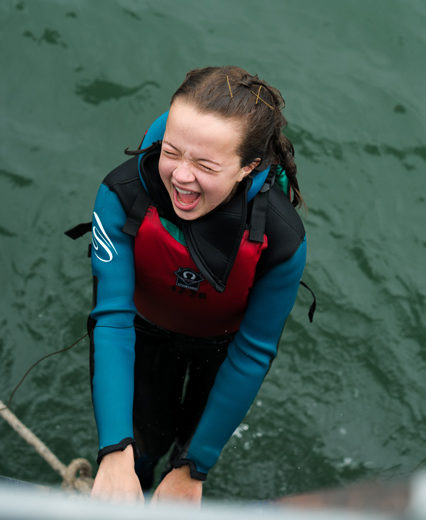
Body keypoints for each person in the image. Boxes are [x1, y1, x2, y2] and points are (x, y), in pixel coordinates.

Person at [86, 66, 308, 503]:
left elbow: (253, 351)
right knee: (140, 448)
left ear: (249, 166)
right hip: (143, 331)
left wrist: (195, 466)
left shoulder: (281, 238)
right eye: (172, 152)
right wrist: (115, 449)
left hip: (221, 349)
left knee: (186, 456)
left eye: (205, 165)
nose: (181, 177)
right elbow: (111, 320)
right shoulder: (123, 193)